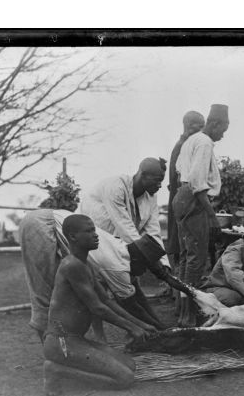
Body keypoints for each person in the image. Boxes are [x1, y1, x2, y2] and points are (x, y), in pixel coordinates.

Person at [19, 208, 179, 342]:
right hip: (41, 225)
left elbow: (106, 299)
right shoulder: (116, 268)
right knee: (44, 288)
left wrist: (152, 325)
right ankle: (51, 346)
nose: (144, 273)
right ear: (138, 259)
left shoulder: (122, 249)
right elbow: (130, 305)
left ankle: (98, 339)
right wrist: (153, 327)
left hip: (55, 219)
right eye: (145, 268)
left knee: (88, 291)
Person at [42, 214, 148, 396]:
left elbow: (106, 300)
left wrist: (140, 325)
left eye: (95, 230)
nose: (96, 235)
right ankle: (56, 370)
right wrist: (131, 327)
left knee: (130, 365)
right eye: (89, 231)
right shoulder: (72, 265)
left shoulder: (86, 264)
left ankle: (70, 365)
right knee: (125, 379)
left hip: (76, 340)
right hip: (62, 343)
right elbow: (97, 308)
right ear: (73, 236)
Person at [173, 103, 230, 327]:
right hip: (194, 201)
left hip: (182, 198)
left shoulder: (191, 140)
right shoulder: (204, 142)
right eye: (223, 130)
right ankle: (188, 315)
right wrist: (213, 218)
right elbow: (198, 183)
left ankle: (183, 310)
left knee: (187, 259)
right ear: (214, 124)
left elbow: (181, 170)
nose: (223, 135)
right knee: (195, 260)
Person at [78, 157, 169, 269]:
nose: (160, 185)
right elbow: (125, 229)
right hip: (87, 240)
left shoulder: (151, 197)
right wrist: (157, 266)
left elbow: (153, 232)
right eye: (157, 180)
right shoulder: (116, 186)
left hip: (113, 245)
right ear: (143, 175)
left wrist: (165, 265)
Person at [166, 111, 206, 271]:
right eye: (200, 126)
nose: (203, 130)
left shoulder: (186, 144)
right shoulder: (183, 146)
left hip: (181, 201)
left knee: (183, 248)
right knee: (182, 249)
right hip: (182, 202)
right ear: (190, 126)